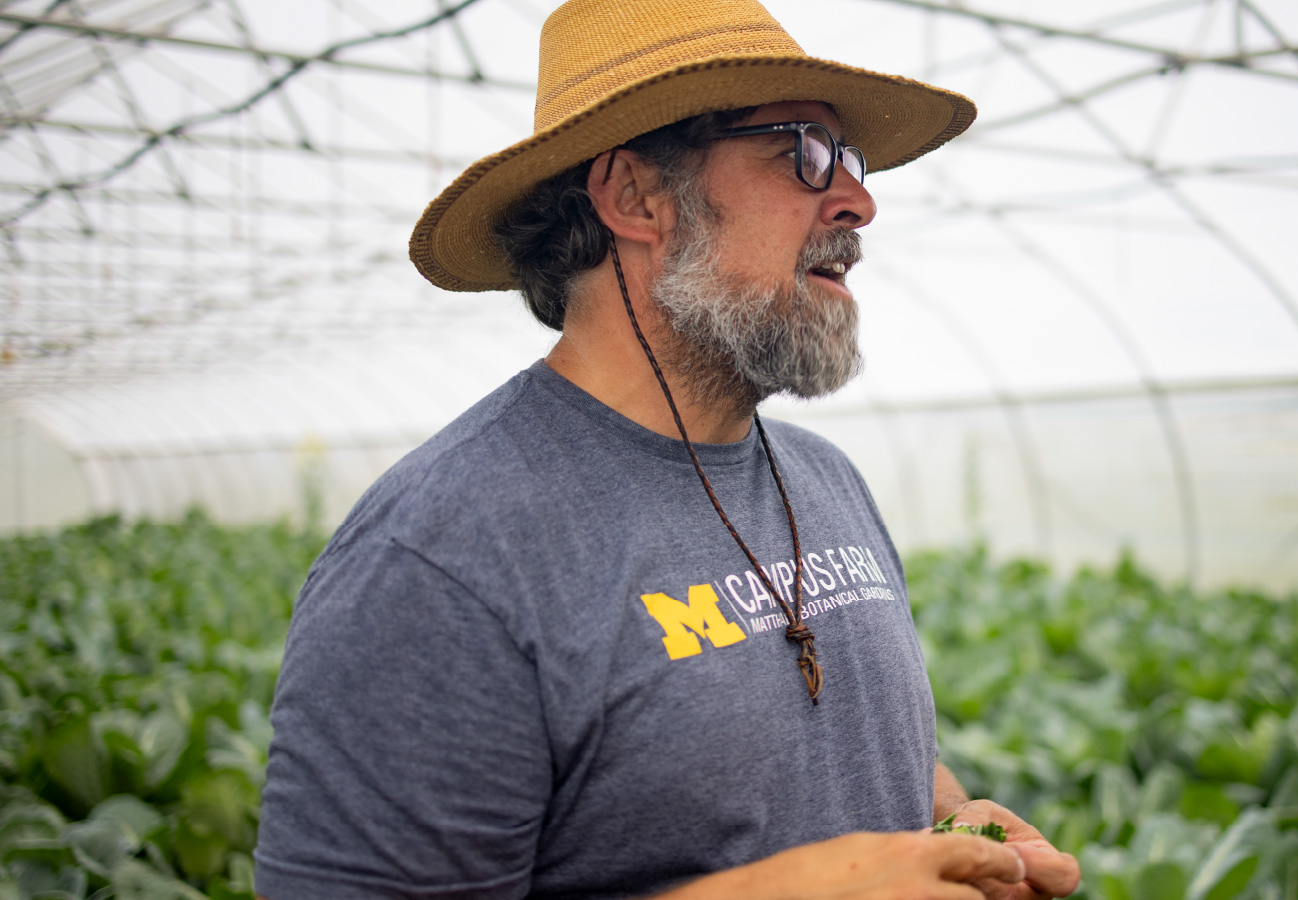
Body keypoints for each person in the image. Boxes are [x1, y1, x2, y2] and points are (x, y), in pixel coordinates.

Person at [254, 1, 1081, 898]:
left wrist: (948, 822)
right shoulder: (442, 557)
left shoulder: (825, 480)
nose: (858, 200)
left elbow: (840, 768)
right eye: (803, 151)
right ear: (635, 197)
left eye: (852, 159)